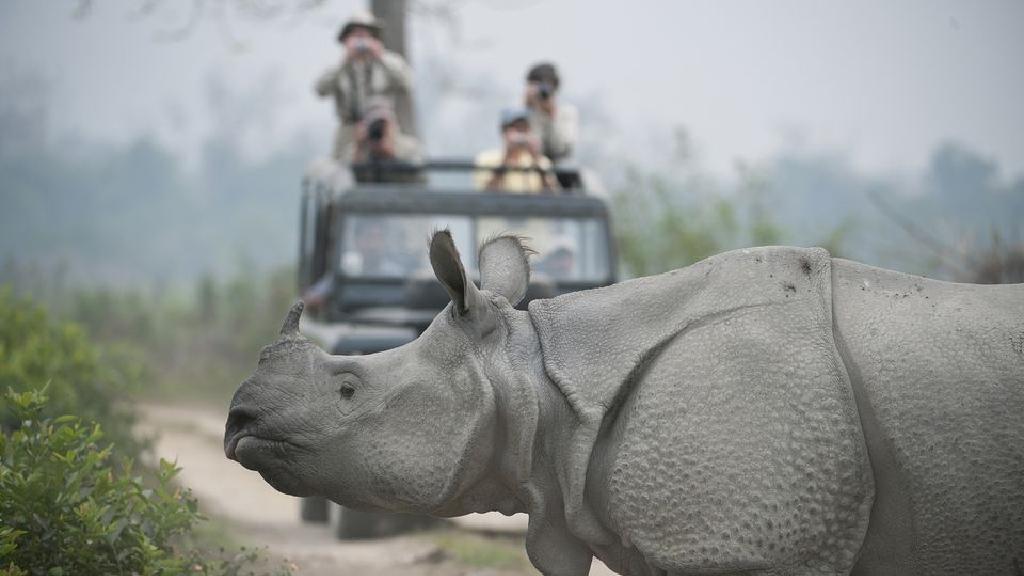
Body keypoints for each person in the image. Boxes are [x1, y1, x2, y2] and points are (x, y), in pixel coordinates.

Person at [315, 10, 418, 162]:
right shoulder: (340, 69)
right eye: (356, 36)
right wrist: (345, 62)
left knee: (411, 155)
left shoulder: (388, 64)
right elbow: (320, 89)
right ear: (346, 39)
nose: (361, 41)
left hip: (385, 128)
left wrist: (381, 56)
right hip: (349, 130)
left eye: (365, 35)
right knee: (343, 166)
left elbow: (407, 82)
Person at [474, 108, 560, 194]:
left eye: (524, 128)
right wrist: (506, 160)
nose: (521, 133)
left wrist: (536, 161)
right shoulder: (486, 159)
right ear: (503, 131)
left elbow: (553, 198)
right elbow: (485, 196)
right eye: (516, 127)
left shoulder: (542, 162)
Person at [523, 62, 578, 164]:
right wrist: (525, 109)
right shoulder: (525, 112)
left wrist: (551, 115)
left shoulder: (566, 113)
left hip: (557, 165)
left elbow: (561, 149)